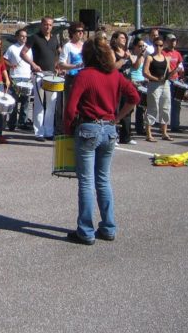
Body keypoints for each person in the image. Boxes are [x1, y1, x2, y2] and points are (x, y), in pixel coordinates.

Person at [63, 32, 139, 245]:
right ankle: (108, 227)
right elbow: (134, 97)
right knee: (103, 180)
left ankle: (85, 231)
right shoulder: (115, 75)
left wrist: (67, 130)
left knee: (86, 181)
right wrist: (117, 118)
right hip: (109, 129)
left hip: (88, 127)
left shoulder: (84, 75)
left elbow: (70, 108)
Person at [21, 16, 61, 142]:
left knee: (51, 104)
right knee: (39, 103)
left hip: (52, 75)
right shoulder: (34, 37)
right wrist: (33, 64)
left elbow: (59, 53)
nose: (47, 27)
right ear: (41, 25)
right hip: (39, 74)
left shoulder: (55, 38)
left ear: (52, 26)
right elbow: (22, 53)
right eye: (45, 24)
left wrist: (57, 65)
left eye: (50, 25)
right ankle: (39, 132)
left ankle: (49, 131)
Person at [142, 36, 172, 142]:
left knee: (165, 107)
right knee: (153, 107)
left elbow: (169, 72)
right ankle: (148, 134)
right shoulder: (150, 57)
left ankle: (164, 132)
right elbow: (145, 72)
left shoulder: (166, 58)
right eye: (156, 45)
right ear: (153, 45)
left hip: (165, 84)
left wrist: (172, 74)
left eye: (161, 45)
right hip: (154, 85)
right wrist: (156, 78)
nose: (158, 47)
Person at [4, 28, 32, 131]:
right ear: (17, 37)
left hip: (27, 77)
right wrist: (11, 65)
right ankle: (12, 123)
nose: (24, 38)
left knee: (25, 102)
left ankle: (22, 123)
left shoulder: (29, 48)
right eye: (22, 36)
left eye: (25, 36)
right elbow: (4, 59)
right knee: (14, 101)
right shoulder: (12, 48)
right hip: (15, 77)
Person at [110, 31, 135, 145]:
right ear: (115, 39)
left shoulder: (126, 51)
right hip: (116, 83)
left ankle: (126, 136)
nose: (124, 39)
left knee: (127, 110)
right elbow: (113, 67)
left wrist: (137, 56)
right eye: (121, 37)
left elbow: (135, 66)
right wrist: (123, 59)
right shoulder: (112, 52)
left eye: (125, 37)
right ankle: (113, 135)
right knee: (115, 110)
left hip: (127, 82)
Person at [58, 21, 85, 102]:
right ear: (72, 32)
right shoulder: (67, 46)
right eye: (78, 31)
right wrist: (76, 66)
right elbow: (61, 64)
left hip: (84, 79)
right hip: (71, 80)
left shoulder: (85, 46)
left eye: (82, 31)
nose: (81, 33)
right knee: (71, 105)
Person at [163, 33, 185, 132]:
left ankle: (175, 125)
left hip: (176, 80)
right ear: (167, 42)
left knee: (177, 104)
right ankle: (164, 126)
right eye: (171, 40)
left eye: (174, 40)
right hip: (167, 81)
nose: (173, 42)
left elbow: (181, 67)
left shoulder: (177, 54)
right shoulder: (164, 53)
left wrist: (181, 77)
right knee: (166, 104)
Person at [128, 38, 148, 136]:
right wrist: (140, 55)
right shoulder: (132, 56)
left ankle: (139, 128)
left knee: (141, 107)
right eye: (140, 46)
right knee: (130, 107)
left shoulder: (143, 57)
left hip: (142, 82)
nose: (142, 48)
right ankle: (127, 127)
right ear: (135, 47)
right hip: (134, 82)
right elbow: (135, 66)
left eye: (143, 46)